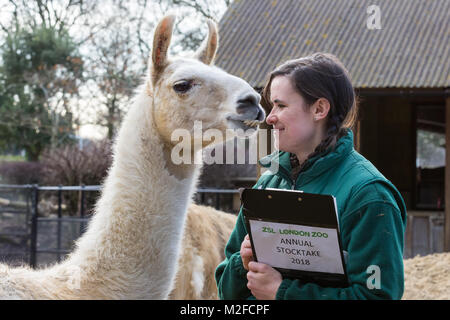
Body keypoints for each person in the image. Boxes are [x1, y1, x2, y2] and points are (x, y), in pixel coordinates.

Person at [215, 52, 407, 300]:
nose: (270, 117)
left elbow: (377, 297)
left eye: (281, 105)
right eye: (271, 105)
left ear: (319, 109)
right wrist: (242, 265)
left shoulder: (370, 196)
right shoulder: (266, 186)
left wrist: (283, 293)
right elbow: (226, 294)